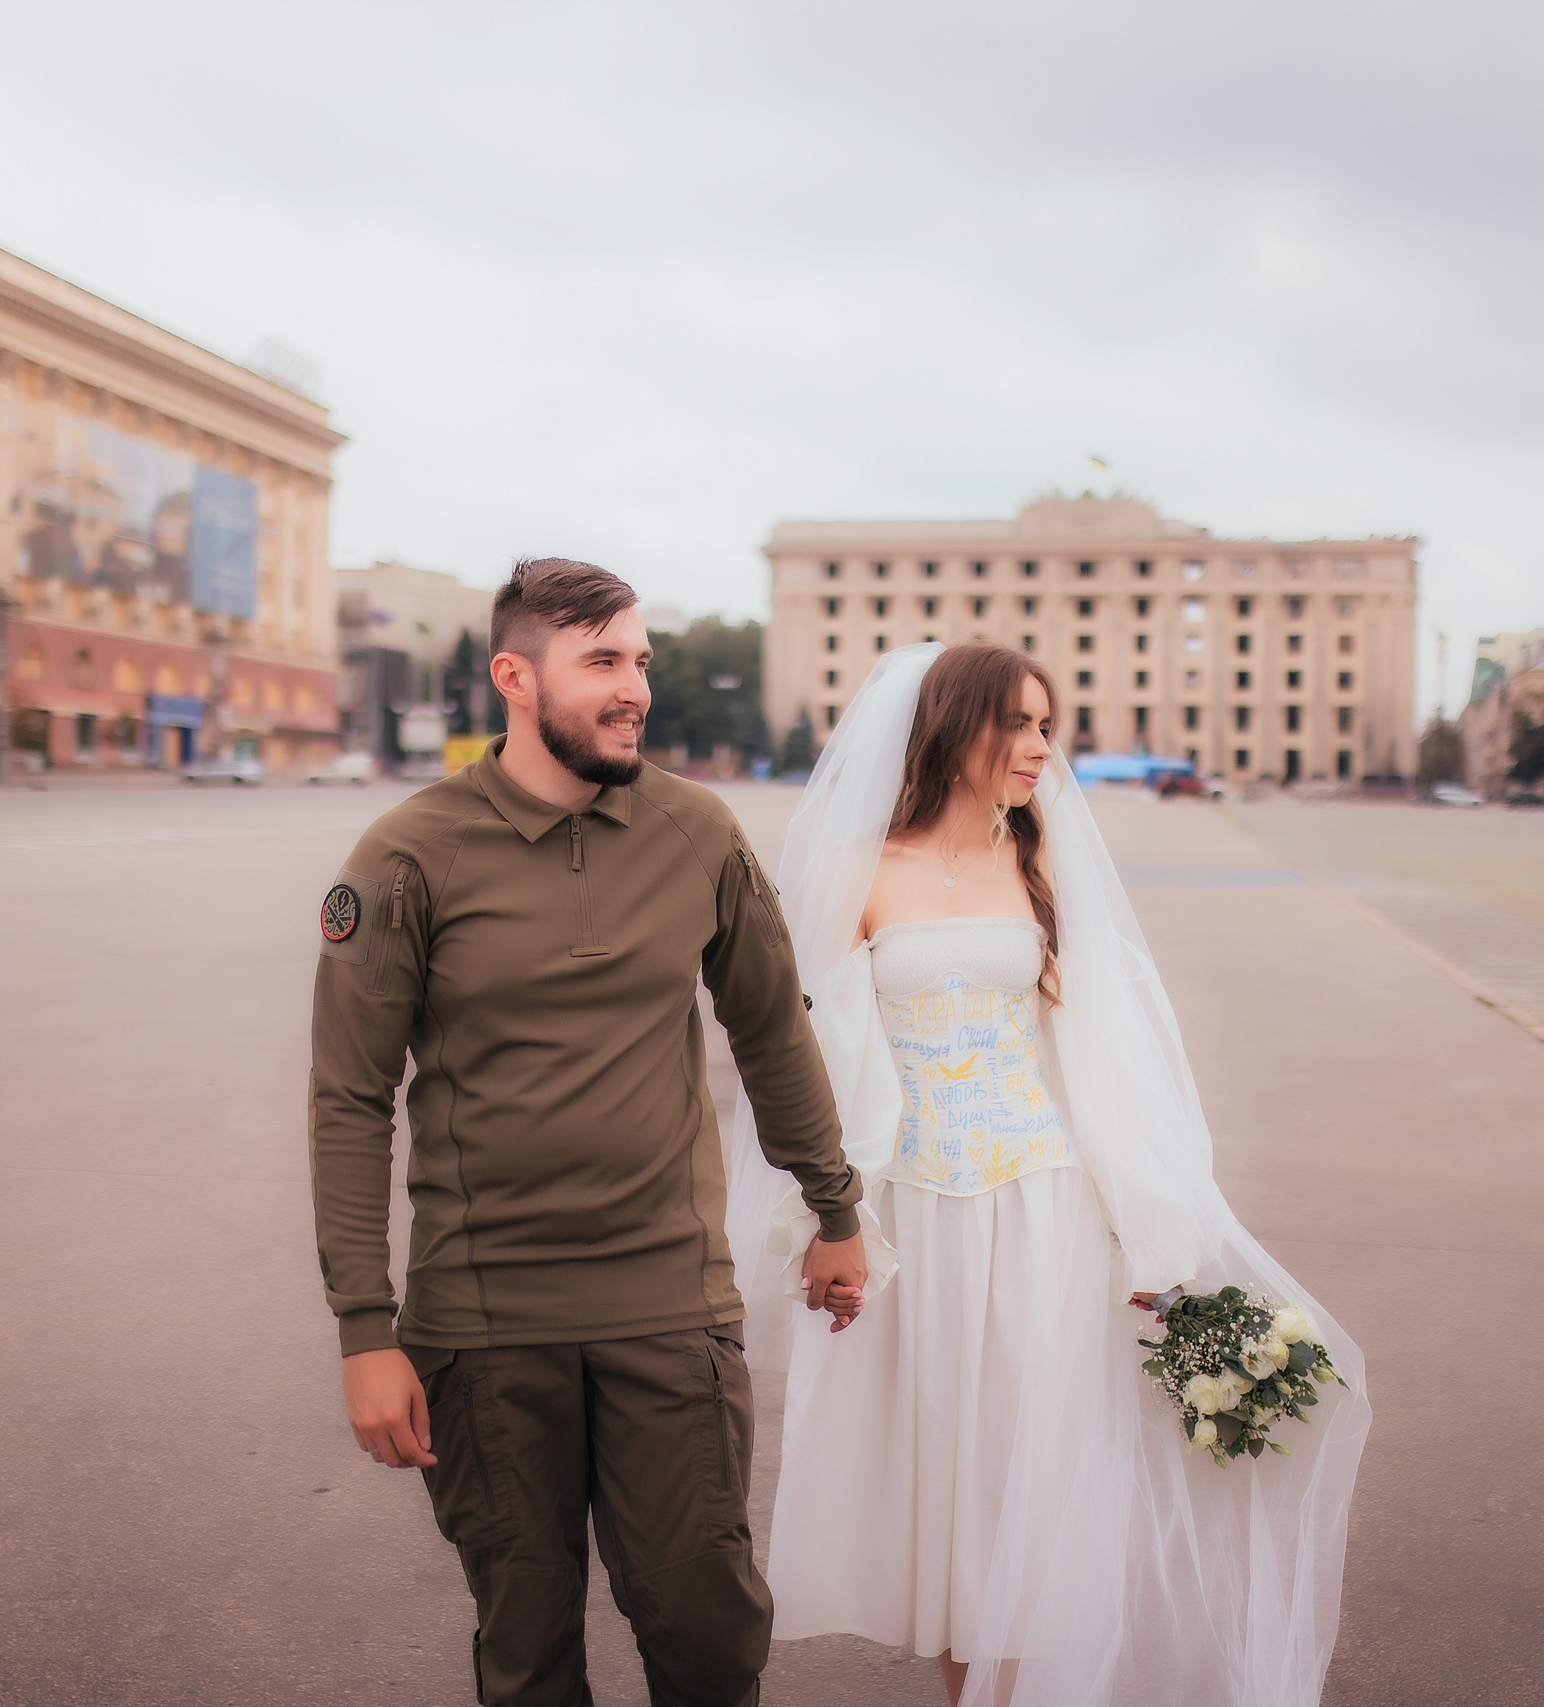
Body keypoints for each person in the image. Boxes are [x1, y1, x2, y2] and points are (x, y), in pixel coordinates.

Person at [728, 642, 1370, 1707]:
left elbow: (1105, 1057)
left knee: (1036, 1492)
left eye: (1045, 726)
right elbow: (810, 1068)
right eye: (1017, 726)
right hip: (915, 1222)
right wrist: (823, 1222)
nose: (1039, 749)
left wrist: (1149, 1229)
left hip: (1045, 1206)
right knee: (953, 1500)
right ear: (950, 730)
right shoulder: (854, 869)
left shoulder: (1042, 864)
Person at [309, 557, 883, 1707]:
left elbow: (772, 1035)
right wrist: (364, 1330)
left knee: (707, 1627)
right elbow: (347, 1100)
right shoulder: (408, 856)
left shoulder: (696, 831)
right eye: (604, 663)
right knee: (525, 1652)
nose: (635, 690)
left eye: (642, 662)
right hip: (483, 1325)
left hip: (666, 1305)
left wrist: (836, 1208)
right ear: (514, 678)